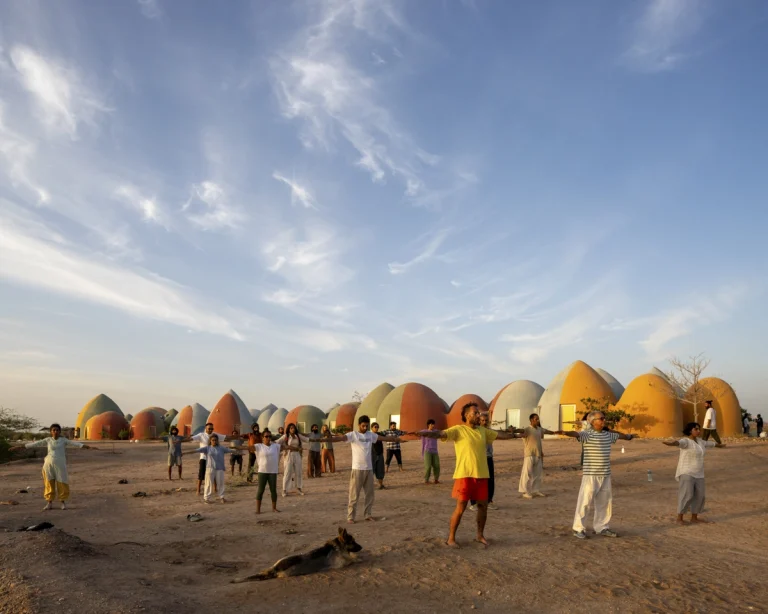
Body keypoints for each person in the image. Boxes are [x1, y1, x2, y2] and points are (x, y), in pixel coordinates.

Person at [416, 402, 516, 548]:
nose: (478, 415)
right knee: (461, 507)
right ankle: (451, 538)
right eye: (475, 413)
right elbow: (441, 433)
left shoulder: (483, 431)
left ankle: (480, 535)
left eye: (478, 413)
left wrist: (514, 434)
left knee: (483, 507)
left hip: (482, 474)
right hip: (464, 475)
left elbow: (499, 435)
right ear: (466, 415)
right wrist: (425, 433)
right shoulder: (459, 430)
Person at [560, 411, 633, 539]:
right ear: (592, 422)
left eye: (604, 418)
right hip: (591, 475)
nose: (603, 420)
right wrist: (566, 432)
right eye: (601, 419)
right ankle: (578, 528)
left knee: (604, 503)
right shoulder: (587, 435)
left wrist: (628, 436)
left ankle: (602, 527)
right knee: (585, 502)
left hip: (605, 474)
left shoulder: (607, 435)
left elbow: (618, 436)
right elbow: (576, 434)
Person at [324, 415, 402, 523]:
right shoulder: (353, 435)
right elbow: (341, 438)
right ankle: (351, 516)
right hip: (357, 469)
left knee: (370, 494)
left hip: (369, 469)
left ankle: (368, 514)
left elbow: (382, 438)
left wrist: (395, 439)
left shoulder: (371, 435)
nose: (365, 428)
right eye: (363, 426)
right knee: (354, 495)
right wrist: (330, 439)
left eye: (367, 426)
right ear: (359, 425)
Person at [15, 423, 98, 511]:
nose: (56, 432)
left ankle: (62, 502)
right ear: (51, 432)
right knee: (49, 483)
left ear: (60, 431)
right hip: (48, 465)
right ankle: (49, 502)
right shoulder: (48, 440)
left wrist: (88, 447)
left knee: (62, 483)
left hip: (60, 465)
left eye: (57, 430)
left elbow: (75, 444)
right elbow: (35, 444)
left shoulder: (63, 440)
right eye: (54, 430)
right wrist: (20, 447)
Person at [662, 422, 726, 523]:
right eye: (696, 429)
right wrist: (672, 443)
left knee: (700, 495)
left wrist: (720, 445)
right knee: (687, 494)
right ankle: (680, 518)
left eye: (699, 429)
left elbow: (711, 444)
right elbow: (679, 443)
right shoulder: (686, 441)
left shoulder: (700, 442)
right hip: (687, 471)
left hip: (699, 473)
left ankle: (694, 517)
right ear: (690, 430)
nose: (698, 431)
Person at [182, 434, 243, 503]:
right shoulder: (207, 448)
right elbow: (196, 450)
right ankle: (206, 498)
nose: (214, 441)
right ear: (210, 441)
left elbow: (230, 450)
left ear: (217, 441)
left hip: (220, 468)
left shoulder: (221, 448)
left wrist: (240, 451)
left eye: (215, 440)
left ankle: (221, 497)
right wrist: (185, 453)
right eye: (213, 440)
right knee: (208, 483)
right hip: (210, 468)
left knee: (220, 483)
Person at [251, 429, 299, 514]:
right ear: (262, 438)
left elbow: (285, 447)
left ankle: (274, 508)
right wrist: (234, 447)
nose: (268, 438)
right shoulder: (259, 446)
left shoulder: (275, 446)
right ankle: (258, 509)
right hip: (262, 471)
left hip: (273, 471)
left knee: (273, 490)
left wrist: (296, 448)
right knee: (260, 490)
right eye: (266, 436)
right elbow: (247, 448)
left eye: (270, 436)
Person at [515, 412, 557, 499]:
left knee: (537, 474)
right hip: (529, 454)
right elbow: (520, 431)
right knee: (527, 473)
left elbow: (546, 431)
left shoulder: (539, 429)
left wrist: (555, 432)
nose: (537, 421)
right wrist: (513, 431)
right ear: (531, 420)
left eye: (538, 419)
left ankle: (535, 490)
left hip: (538, 454)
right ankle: (525, 491)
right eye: (535, 419)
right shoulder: (527, 429)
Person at [191, 423, 228, 496]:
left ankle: (215, 488)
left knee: (214, 473)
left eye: (212, 428)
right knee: (201, 474)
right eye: (209, 428)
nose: (211, 430)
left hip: (213, 458)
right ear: (206, 428)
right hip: (203, 458)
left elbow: (226, 437)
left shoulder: (215, 435)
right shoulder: (201, 435)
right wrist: (180, 440)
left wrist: (238, 437)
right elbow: (191, 438)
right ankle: (198, 490)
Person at [469, 412, 497, 510]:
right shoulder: (476, 431)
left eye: (486, 420)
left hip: (489, 457)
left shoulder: (489, 431)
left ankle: (489, 500)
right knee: (476, 480)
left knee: (490, 480)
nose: (484, 422)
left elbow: (500, 435)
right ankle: (473, 503)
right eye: (482, 420)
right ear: (479, 421)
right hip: (478, 458)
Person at [275, 423, 309, 497]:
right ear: (288, 429)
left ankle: (299, 488)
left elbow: (307, 439)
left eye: (293, 428)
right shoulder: (286, 436)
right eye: (291, 428)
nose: (292, 429)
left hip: (297, 455)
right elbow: (277, 442)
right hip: (288, 456)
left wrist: (319, 439)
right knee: (287, 472)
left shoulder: (298, 436)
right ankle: (284, 490)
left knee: (298, 472)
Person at [420, 419, 440, 485]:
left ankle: (436, 479)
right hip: (427, 451)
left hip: (435, 451)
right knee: (428, 466)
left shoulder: (436, 432)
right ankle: (426, 480)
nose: (432, 425)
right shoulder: (424, 432)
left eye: (433, 424)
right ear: (428, 425)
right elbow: (419, 435)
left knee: (437, 465)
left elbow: (442, 433)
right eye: (431, 424)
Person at [371, 422, 386, 489]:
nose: (376, 428)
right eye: (375, 427)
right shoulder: (369, 435)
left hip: (380, 454)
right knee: (371, 471)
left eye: (377, 427)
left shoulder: (380, 434)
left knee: (380, 470)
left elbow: (386, 435)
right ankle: (369, 485)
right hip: (372, 455)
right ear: (371, 428)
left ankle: (381, 484)